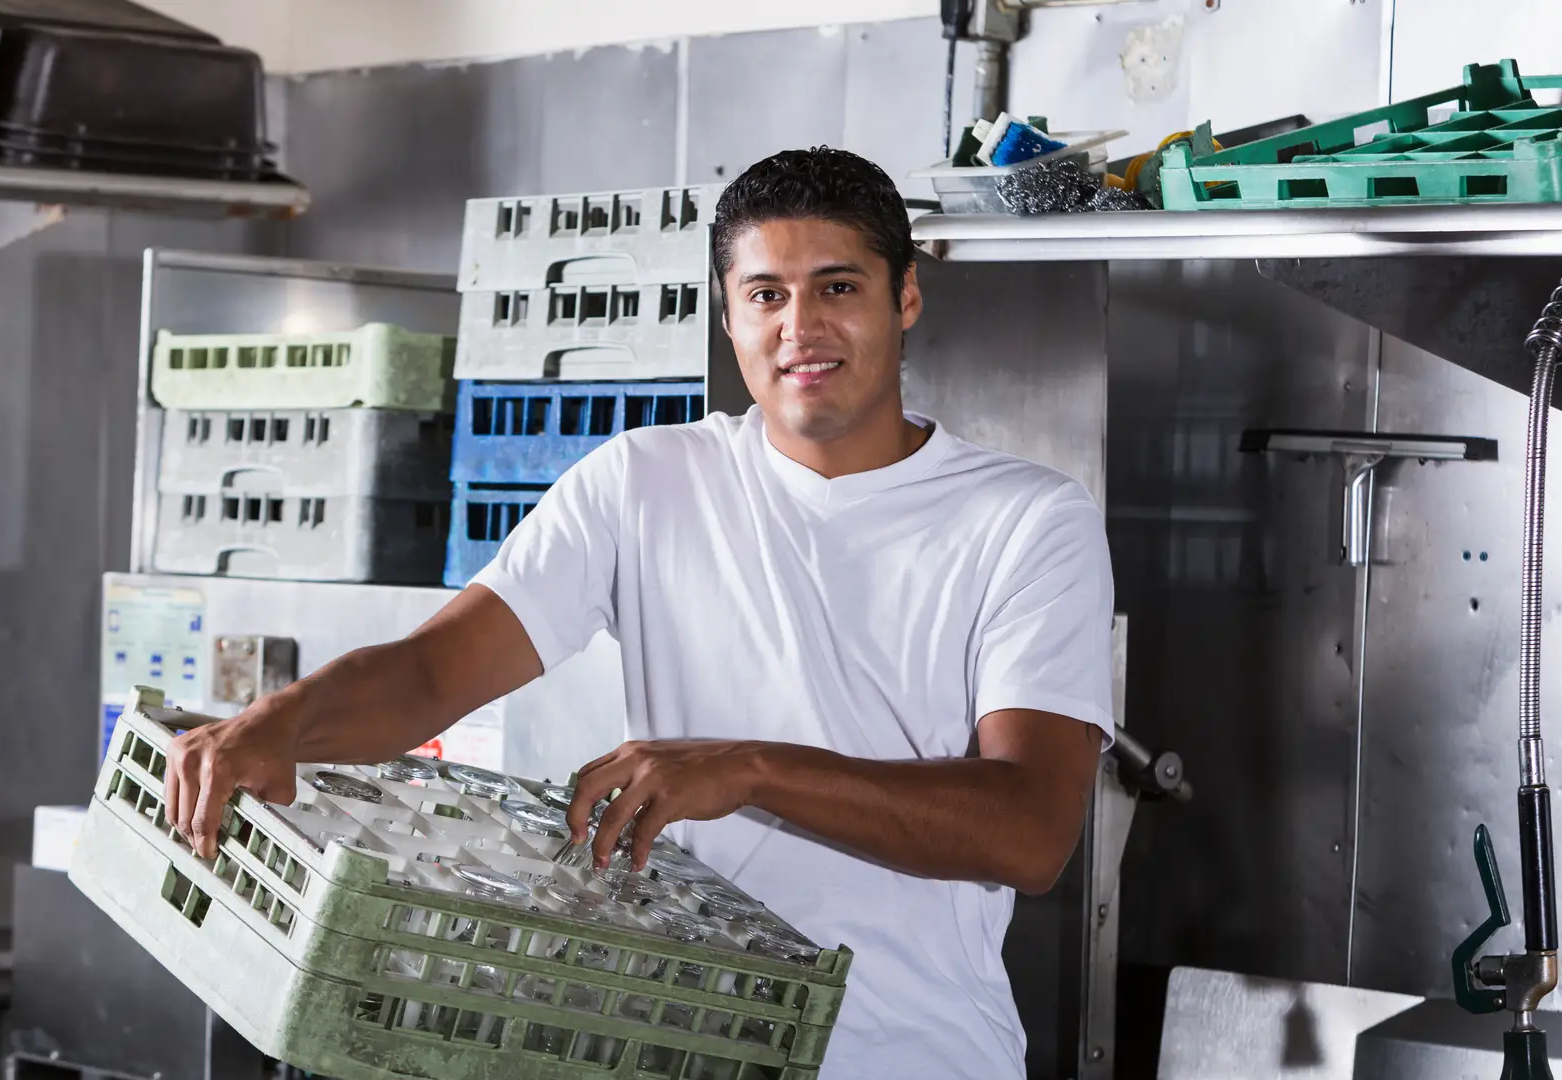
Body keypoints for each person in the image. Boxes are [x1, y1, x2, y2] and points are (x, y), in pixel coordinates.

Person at [165, 146, 1115, 1079]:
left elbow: (1027, 831)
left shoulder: (1028, 520)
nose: (800, 328)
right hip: (683, 1047)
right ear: (728, 310)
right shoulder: (646, 481)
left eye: (837, 288)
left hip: (911, 1055)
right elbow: (431, 673)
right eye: (766, 295)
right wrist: (275, 722)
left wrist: (748, 768)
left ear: (905, 297)